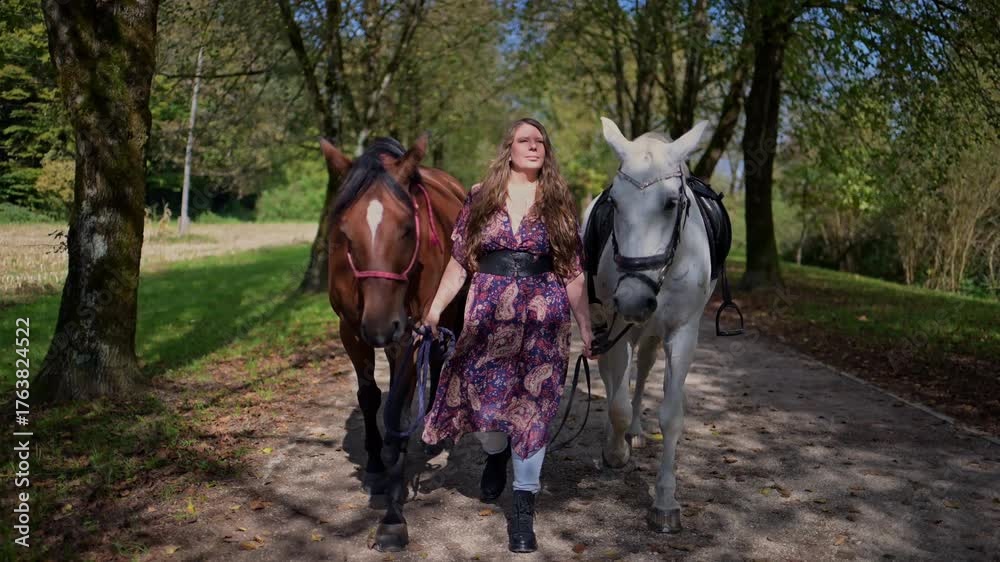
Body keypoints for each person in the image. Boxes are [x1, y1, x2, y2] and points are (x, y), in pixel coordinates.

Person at [418, 117, 598, 554]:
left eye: (540, 141)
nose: (534, 146)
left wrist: (587, 326)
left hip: (544, 319)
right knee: (485, 403)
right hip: (487, 317)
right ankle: (496, 452)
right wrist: (435, 309)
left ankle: (522, 508)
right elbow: (460, 260)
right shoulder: (481, 195)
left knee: (533, 412)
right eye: (524, 140)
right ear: (510, 149)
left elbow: (573, 271)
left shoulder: (559, 199)